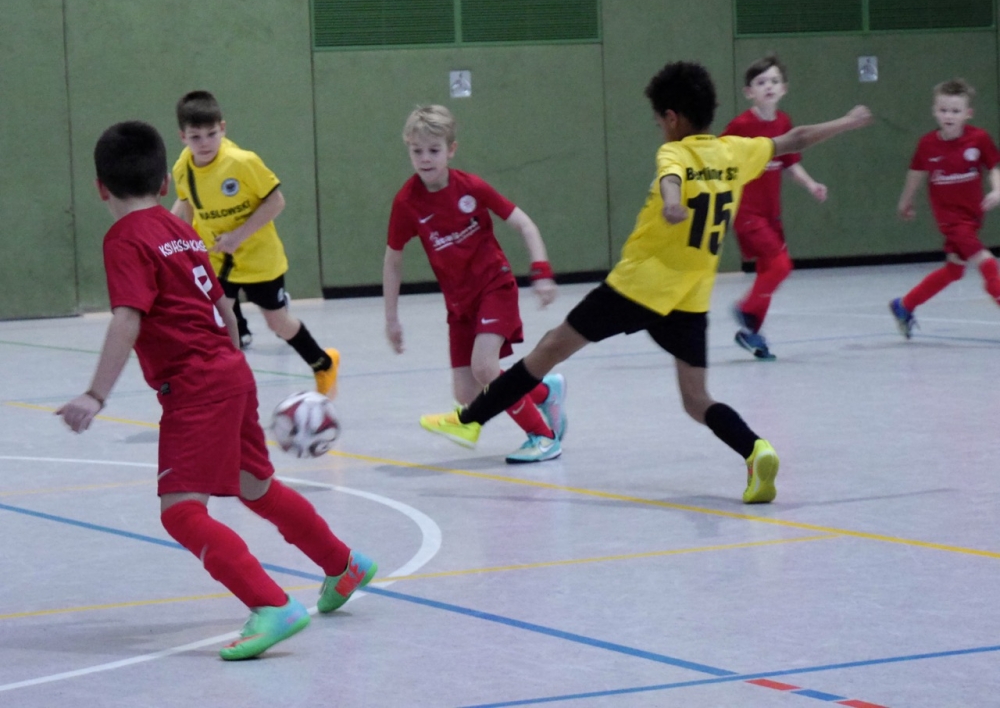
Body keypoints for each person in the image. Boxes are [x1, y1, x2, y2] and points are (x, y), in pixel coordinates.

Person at [420, 61, 872, 503]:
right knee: (696, 398)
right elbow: (796, 138)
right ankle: (756, 450)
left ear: (671, 119)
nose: (660, 129)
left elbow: (672, 177)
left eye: (659, 122)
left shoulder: (673, 153)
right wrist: (847, 123)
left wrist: (673, 202)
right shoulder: (735, 151)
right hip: (690, 298)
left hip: (637, 286)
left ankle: (471, 419)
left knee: (551, 347)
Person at [57, 121, 377, 660]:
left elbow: (128, 317)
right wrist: (229, 364)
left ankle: (272, 605)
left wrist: (95, 395)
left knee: (181, 511)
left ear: (99, 187)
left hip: (195, 385)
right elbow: (224, 305)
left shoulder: (125, 238)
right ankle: (344, 565)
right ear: (165, 183)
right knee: (255, 485)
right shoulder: (180, 229)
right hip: (230, 371)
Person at [383, 105, 567, 464]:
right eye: (417, 151)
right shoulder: (407, 202)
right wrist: (391, 318)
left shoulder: (471, 187)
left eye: (434, 150)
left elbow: (525, 225)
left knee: (485, 368)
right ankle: (544, 392)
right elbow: (393, 260)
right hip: (459, 304)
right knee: (468, 395)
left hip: (494, 286)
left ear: (451, 150)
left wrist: (541, 270)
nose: (425, 158)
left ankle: (543, 437)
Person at [170, 90, 339, 396]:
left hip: (258, 257)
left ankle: (323, 363)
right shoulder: (182, 169)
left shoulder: (242, 162)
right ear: (183, 137)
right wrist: (177, 239)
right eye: (195, 137)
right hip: (217, 259)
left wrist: (237, 236)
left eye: (211, 134)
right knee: (217, 321)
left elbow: (276, 201)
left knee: (277, 323)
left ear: (223, 128)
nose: (205, 143)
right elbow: (187, 204)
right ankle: (227, 387)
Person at [723, 55, 829, 361]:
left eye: (773, 81)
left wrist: (811, 184)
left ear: (783, 88)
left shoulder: (784, 123)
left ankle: (752, 334)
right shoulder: (741, 125)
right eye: (760, 82)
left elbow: (790, 164)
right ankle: (745, 308)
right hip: (747, 213)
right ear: (749, 92)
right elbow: (718, 156)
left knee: (767, 271)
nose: (768, 86)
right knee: (781, 266)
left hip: (771, 214)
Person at [889, 78, 1000, 337]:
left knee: (954, 271)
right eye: (943, 110)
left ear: (968, 113)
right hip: (950, 220)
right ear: (934, 111)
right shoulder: (927, 144)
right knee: (987, 263)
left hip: (972, 216)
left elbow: (994, 166)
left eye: (955, 111)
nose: (949, 116)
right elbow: (916, 173)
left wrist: (997, 189)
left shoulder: (979, 139)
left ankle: (904, 305)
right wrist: (906, 201)